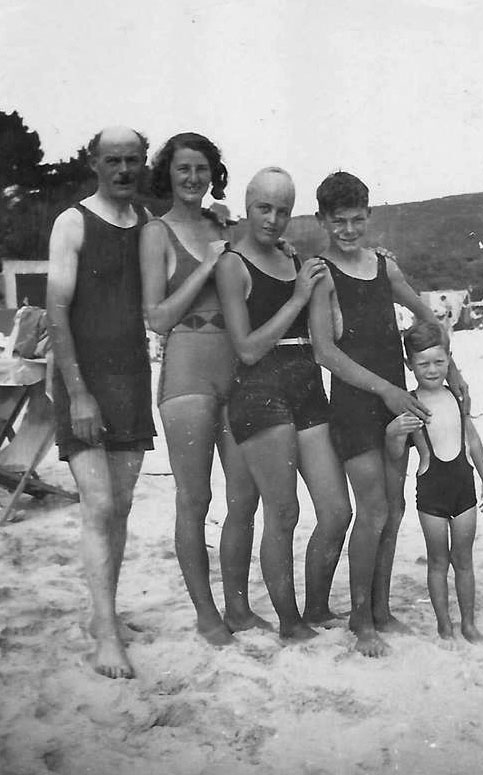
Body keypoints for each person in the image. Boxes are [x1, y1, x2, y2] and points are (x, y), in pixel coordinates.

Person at [309, 171, 470, 657]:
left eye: (358, 220)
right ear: (322, 220)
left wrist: (453, 370)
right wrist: (387, 390)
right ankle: (360, 620)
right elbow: (324, 351)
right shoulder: (321, 274)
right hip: (357, 405)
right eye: (339, 221)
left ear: (369, 216)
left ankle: (380, 611)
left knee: (395, 510)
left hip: (396, 403)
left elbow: (429, 318)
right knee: (374, 509)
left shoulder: (383, 266)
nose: (349, 230)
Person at [139, 133, 266, 647]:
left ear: (214, 174)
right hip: (187, 368)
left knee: (245, 494)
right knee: (195, 497)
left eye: (202, 168)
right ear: (168, 174)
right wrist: (209, 265)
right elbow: (157, 317)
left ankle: (238, 607)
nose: (193, 178)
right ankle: (206, 613)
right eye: (183, 168)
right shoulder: (156, 233)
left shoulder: (224, 226)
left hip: (236, 366)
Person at [216, 167, 352, 641]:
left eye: (283, 210)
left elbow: (329, 330)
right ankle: (289, 623)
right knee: (283, 512)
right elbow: (247, 348)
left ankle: (316, 607)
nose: (273, 219)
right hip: (259, 389)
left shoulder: (293, 257)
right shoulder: (232, 265)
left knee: (337, 511)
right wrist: (296, 298)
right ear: (247, 206)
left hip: (306, 383)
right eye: (264, 208)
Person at [47, 126, 156, 679]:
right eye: (113, 160)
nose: (123, 170)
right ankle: (106, 635)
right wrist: (78, 393)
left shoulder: (147, 224)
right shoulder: (73, 222)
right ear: (94, 163)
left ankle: (103, 614)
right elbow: (56, 311)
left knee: (123, 504)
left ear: (143, 163)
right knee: (100, 505)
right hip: (85, 382)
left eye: (132, 160)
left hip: (133, 379)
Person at [386, 321, 483, 642]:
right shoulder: (410, 403)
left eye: (439, 361)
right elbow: (395, 455)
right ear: (410, 364)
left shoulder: (457, 397)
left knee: (464, 560)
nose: (432, 370)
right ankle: (444, 625)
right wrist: (393, 433)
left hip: (464, 490)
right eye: (423, 364)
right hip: (431, 493)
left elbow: (473, 440)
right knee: (437, 562)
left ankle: (468, 623)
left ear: (449, 358)